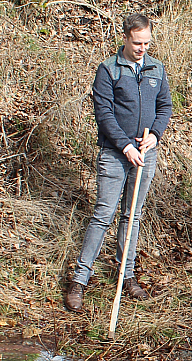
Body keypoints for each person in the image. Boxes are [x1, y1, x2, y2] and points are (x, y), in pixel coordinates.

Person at [64, 13, 172, 313]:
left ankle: (127, 275)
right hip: (115, 154)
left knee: (132, 216)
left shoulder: (156, 68)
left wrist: (155, 137)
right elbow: (104, 115)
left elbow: (164, 106)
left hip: (146, 153)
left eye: (147, 43)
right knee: (103, 215)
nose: (142, 48)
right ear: (125, 38)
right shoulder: (108, 70)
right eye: (137, 43)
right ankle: (79, 281)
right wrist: (125, 146)